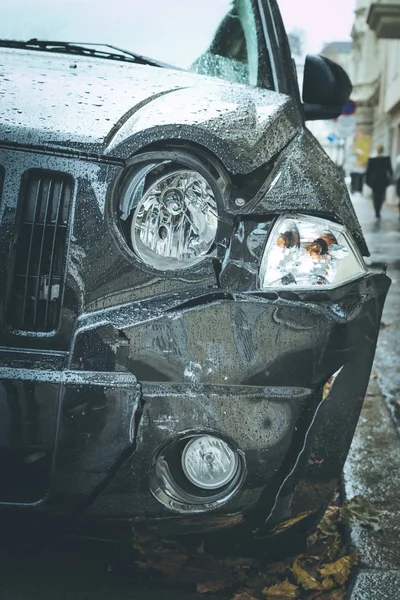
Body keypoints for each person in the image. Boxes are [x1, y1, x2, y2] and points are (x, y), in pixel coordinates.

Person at [366, 145, 393, 219]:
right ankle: (378, 210)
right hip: (383, 180)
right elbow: (390, 170)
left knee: (375, 196)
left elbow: (368, 171)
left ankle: (377, 210)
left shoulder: (372, 159)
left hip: (374, 180)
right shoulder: (386, 159)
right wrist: (391, 179)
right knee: (381, 195)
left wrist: (367, 181)